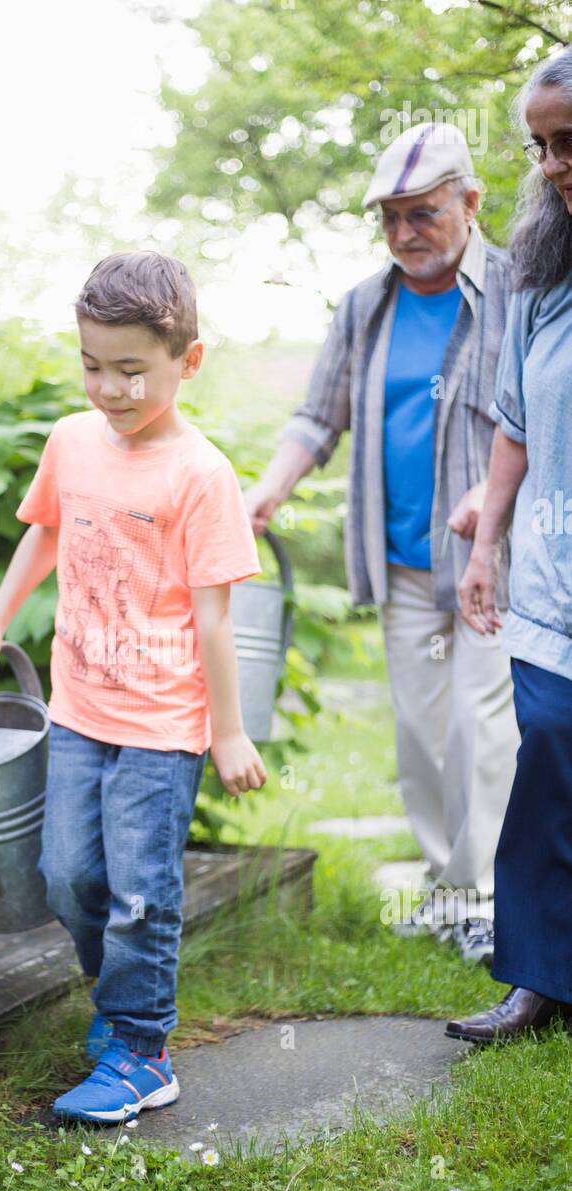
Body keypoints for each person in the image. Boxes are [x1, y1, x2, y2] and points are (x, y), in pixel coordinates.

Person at [0, 251, 267, 1120]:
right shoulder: (70, 441)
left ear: (186, 362)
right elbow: (45, 534)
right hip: (80, 708)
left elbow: (214, 618)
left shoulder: (201, 474)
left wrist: (229, 732)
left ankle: (139, 1047)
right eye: (93, 365)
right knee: (65, 878)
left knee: (139, 891)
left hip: (164, 722)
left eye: (132, 370)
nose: (110, 389)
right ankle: (118, 1001)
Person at [244, 122, 519, 964]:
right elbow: (318, 414)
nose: (405, 234)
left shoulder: (518, 289)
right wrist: (265, 491)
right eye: (390, 218)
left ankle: (484, 899)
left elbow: (544, 415)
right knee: (419, 735)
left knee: (480, 729)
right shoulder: (367, 305)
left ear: (470, 203)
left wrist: (493, 493)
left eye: (423, 214)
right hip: (400, 561)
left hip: (490, 564)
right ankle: (447, 892)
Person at [446, 47, 572, 1042]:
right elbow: (514, 428)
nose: (552, 163)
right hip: (548, 580)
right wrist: (483, 544)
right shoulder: (537, 281)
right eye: (538, 146)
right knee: (545, 769)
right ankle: (535, 979)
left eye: (566, 140)